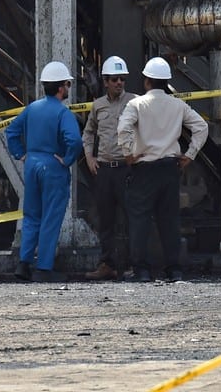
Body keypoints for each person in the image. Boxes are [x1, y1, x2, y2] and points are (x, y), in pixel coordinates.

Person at [117, 56, 209, 283]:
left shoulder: (136, 104)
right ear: (167, 82)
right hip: (170, 169)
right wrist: (189, 155)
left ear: (147, 81)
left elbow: (123, 128)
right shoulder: (178, 105)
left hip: (144, 169)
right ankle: (174, 270)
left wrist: (128, 153)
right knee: (169, 221)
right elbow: (201, 127)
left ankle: (142, 270)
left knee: (140, 220)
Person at [7, 60, 84, 283]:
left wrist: (20, 154)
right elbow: (75, 141)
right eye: (68, 85)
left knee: (31, 215)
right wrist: (67, 159)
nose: (68, 88)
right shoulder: (63, 113)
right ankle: (43, 268)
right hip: (53, 166)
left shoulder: (32, 108)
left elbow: (12, 131)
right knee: (51, 216)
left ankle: (23, 264)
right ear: (61, 87)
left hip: (32, 164)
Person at [82, 55, 137, 281]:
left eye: (122, 79)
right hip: (104, 169)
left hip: (126, 169)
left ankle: (134, 264)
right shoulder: (98, 106)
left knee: (133, 217)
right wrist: (89, 156)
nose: (119, 83)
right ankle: (107, 264)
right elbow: (88, 132)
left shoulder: (135, 103)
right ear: (105, 81)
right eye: (114, 79)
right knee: (106, 219)